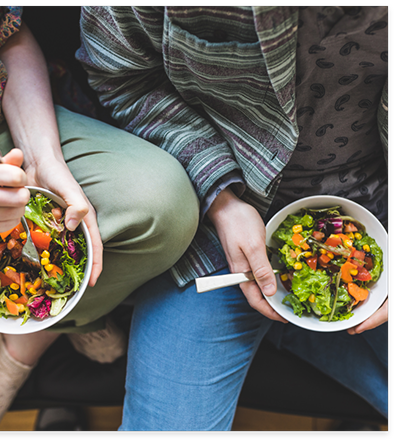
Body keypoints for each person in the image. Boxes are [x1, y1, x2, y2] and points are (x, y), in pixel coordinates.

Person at [75, 6, 388, 430]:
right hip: (210, 219)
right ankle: (293, 333)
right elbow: (121, 75)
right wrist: (222, 200)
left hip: (375, 203)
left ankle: (292, 332)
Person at [0, 6, 199, 431]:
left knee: (162, 203)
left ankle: (20, 343)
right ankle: (10, 348)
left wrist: (42, 159)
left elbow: (6, 36)